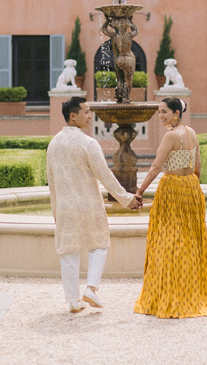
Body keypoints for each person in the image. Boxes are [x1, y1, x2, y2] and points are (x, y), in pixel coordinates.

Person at [47, 95, 142, 314]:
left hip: (65, 208)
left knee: (68, 252)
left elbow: (51, 182)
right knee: (99, 245)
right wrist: (126, 199)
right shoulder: (88, 143)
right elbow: (105, 175)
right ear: (73, 116)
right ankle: (91, 288)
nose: (90, 116)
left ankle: (72, 301)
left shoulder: (53, 144)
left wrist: (56, 212)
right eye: (86, 112)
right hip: (88, 204)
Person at [132, 96, 207, 318]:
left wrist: (139, 192)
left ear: (176, 114)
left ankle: (169, 295)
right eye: (159, 112)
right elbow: (197, 166)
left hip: (172, 189)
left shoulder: (171, 136)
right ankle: (192, 292)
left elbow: (155, 167)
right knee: (190, 240)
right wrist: (192, 187)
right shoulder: (192, 133)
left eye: (164, 112)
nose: (160, 116)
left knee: (167, 241)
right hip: (191, 187)